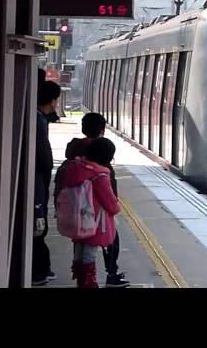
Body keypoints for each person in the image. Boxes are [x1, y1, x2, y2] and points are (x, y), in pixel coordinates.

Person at [55, 113, 130, 288]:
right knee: (92, 251)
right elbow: (109, 200)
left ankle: (82, 278)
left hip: (75, 215)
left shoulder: (75, 164)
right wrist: (116, 207)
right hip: (94, 219)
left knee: (80, 249)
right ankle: (91, 281)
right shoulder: (99, 173)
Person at [32, 80, 61, 286]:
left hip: (36, 184)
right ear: (52, 100)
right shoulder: (38, 121)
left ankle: (40, 269)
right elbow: (44, 159)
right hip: (36, 185)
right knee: (38, 228)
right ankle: (38, 272)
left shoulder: (37, 118)